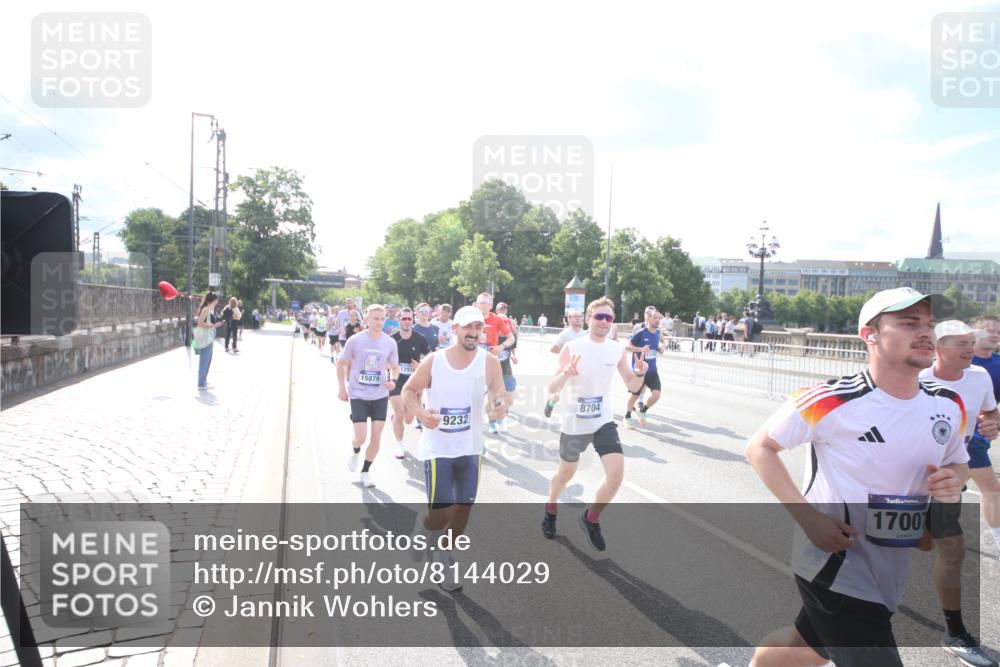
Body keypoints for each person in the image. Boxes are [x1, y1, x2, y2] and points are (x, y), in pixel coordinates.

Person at [746, 287, 968, 667]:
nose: (925, 333)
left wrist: (953, 477)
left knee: (801, 649)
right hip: (833, 561)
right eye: (909, 322)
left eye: (929, 324)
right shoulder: (831, 399)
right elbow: (759, 449)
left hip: (890, 564)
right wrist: (809, 519)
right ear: (870, 334)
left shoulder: (948, 403)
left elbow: (957, 462)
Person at [404, 305, 508, 592]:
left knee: (462, 512)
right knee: (441, 515)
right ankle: (423, 528)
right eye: (468, 328)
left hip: (470, 447)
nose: (474, 333)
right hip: (438, 449)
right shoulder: (435, 361)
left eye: (478, 328)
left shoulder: (489, 363)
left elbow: (497, 396)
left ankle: (444, 557)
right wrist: (422, 414)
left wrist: (499, 407)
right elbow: (409, 391)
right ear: (455, 330)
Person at [917, 320, 999, 667]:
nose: (969, 348)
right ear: (937, 348)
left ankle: (955, 632)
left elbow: (989, 412)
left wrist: (992, 423)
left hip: (949, 476)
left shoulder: (979, 377)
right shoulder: (917, 379)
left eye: (971, 342)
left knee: (952, 549)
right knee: (898, 548)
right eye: (959, 344)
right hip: (900, 482)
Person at [541, 297, 647, 551]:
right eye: (599, 317)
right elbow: (552, 387)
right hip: (574, 422)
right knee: (566, 474)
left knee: (616, 475)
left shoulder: (616, 349)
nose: (603, 322)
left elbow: (632, 385)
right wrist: (566, 373)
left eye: (608, 318)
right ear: (589, 318)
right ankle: (551, 506)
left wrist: (640, 372)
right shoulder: (573, 346)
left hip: (602, 419)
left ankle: (590, 518)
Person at [337, 304, 399, 488]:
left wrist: (393, 381)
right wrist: (342, 388)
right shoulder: (355, 341)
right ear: (367, 320)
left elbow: (395, 367)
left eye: (382, 319)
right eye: (375, 318)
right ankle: (356, 451)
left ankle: (365, 472)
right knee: (361, 437)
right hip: (358, 394)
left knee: (377, 436)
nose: (379, 322)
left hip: (380, 394)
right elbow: (341, 364)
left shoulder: (389, 342)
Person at [389, 307, 430, 459]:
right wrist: (393, 367)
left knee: (408, 419)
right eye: (404, 318)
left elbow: (429, 358)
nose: (407, 321)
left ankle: (395, 419)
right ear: (399, 320)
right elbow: (384, 361)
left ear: (413, 320)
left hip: (413, 383)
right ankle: (399, 446)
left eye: (409, 319)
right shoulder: (392, 339)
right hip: (396, 381)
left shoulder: (420, 338)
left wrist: (420, 366)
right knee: (399, 412)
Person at [474, 293, 515, 434]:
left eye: (487, 302)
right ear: (476, 304)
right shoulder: (471, 318)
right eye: (481, 302)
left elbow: (511, 338)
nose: (484, 305)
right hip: (472, 362)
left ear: (491, 305)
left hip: (490, 361)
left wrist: (501, 347)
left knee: (491, 396)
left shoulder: (496, 319)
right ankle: (474, 431)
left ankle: (491, 423)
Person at [624, 310, 665, 428]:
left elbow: (657, 345)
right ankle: (627, 416)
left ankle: (643, 411)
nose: (657, 320)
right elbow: (627, 346)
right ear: (649, 318)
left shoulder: (657, 332)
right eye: (655, 318)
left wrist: (660, 348)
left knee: (656, 395)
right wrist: (641, 349)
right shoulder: (641, 332)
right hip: (640, 371)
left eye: (659, 318)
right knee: (635, 396)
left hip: (652, 371)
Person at [543, 309, 587, 418]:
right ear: (569, 319)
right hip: (566, 367)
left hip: (580, 367)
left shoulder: (585, 334)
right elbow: (553, 348)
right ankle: (551, 403)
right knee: (559, 393)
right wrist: (567, 353)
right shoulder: (565, 334)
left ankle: (578, 414)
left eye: (579, 316)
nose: (578, 318)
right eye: (574, 316)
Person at [195, 292, 225, 389]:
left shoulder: (211, 310)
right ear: (212, 300)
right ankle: (201, 383)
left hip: (210, 338)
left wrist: (217, 324)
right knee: (204, 361)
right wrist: (214, 325)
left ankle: (204, 381)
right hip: (206, 339)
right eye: (216, 300)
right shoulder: (206, 310)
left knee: (208, 361)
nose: (217, 301)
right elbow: (199, 323)